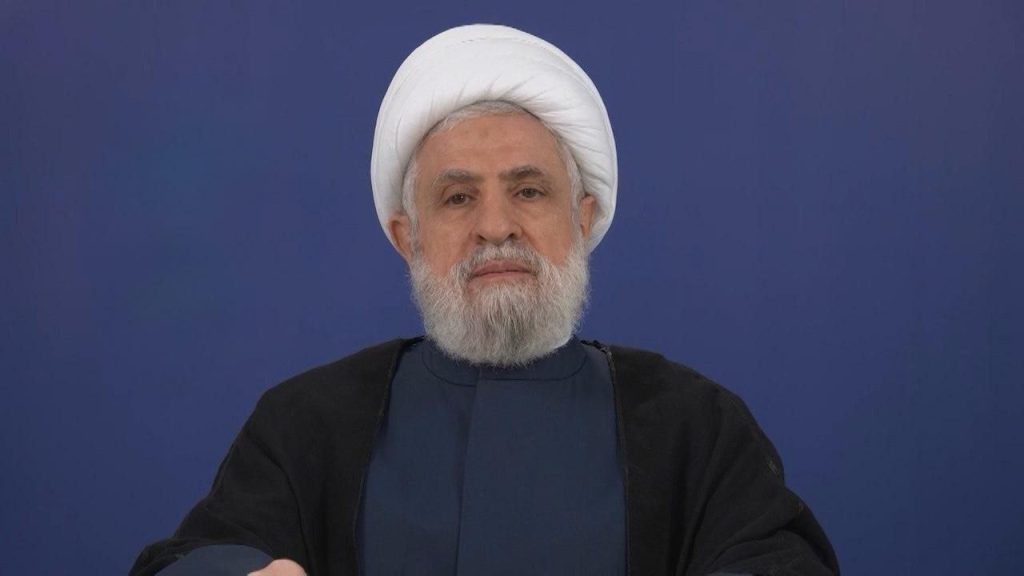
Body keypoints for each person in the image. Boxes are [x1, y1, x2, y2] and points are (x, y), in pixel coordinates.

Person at [131, 24, 838, 576]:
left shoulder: (693, 425)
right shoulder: (306, 424)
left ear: (582, 218)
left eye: (528, 190)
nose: (495, 226)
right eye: (457, 197)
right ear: (407, 237)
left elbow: (778, 559)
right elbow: (197, 558)